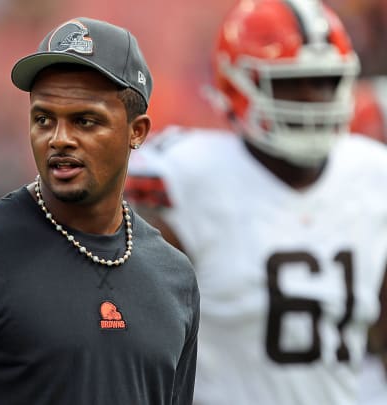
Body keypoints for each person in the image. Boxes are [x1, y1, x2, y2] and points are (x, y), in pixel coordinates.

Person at [125, 1, 387, 404]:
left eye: (324, 81)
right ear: (236, 83)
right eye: (287, 83)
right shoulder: (186, 177)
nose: (310, 98)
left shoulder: (372, 173)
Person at [0, 17, 199, 405]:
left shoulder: (174, 276)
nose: (59, 139)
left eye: (85, 121)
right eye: (44, 119)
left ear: (137, 131)